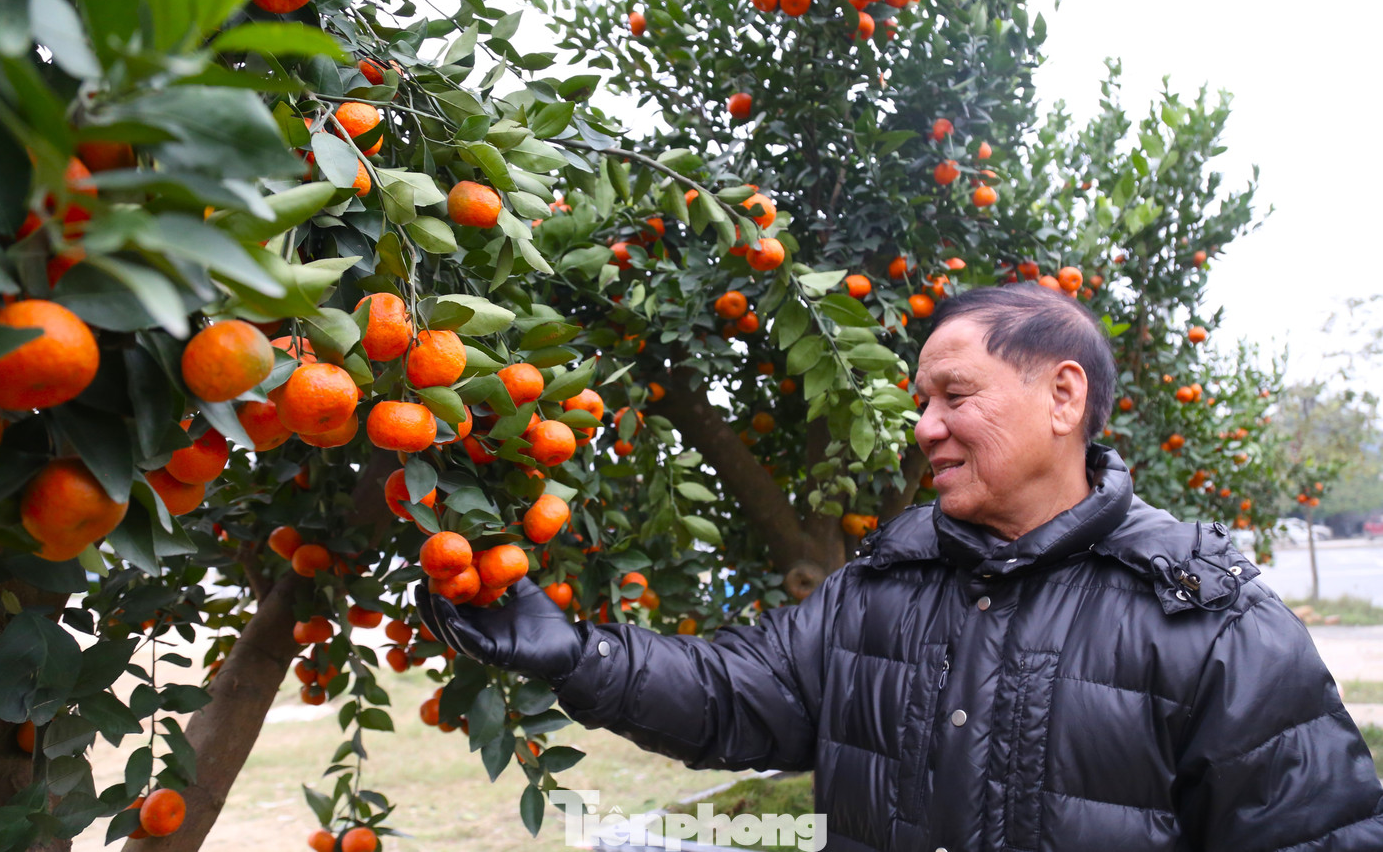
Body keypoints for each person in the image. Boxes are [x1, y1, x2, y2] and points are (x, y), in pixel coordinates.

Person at [418, 283, 1383, 851]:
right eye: (921, 401)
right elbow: (734, 694)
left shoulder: (1206, 619)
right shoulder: (884, 583)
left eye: (954, 395)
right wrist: (577, 654)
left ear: (1063, 397)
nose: (924, 427)